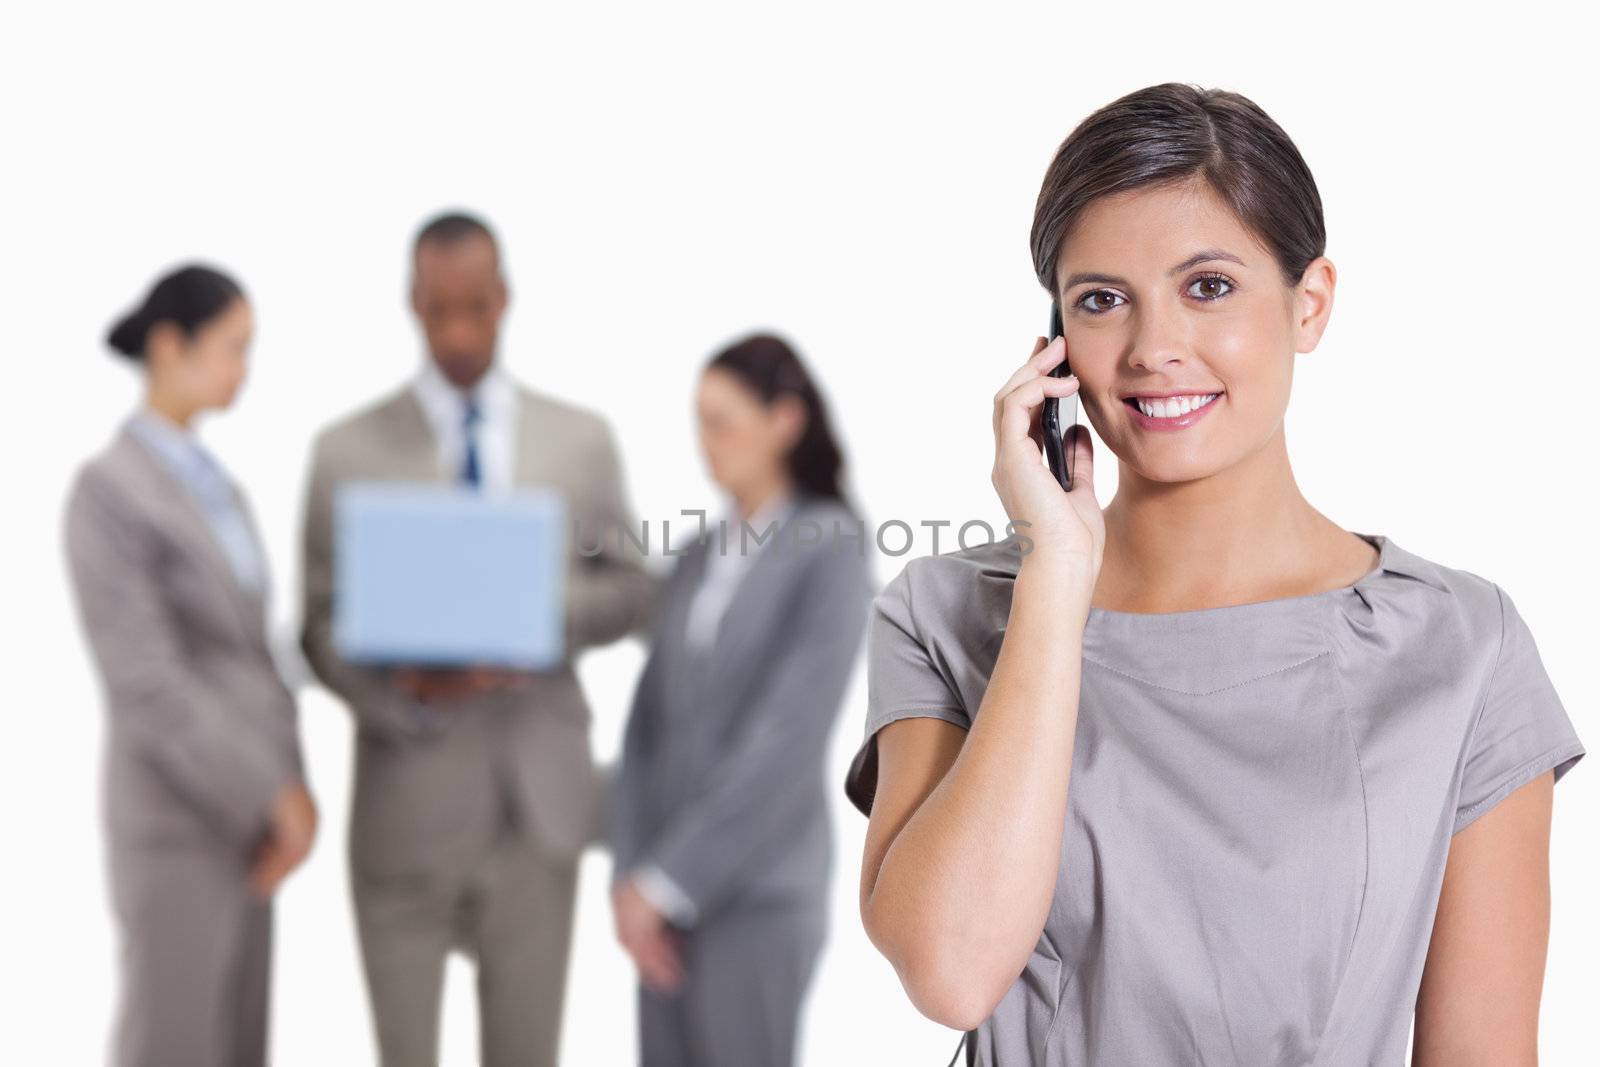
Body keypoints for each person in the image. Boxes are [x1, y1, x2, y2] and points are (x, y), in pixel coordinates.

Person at [846, 82, 1586, 1065]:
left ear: (1309, 302)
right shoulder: (942, 612)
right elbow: (950, 969)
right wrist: (1057, 576)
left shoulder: (1460, 644)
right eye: (1103, 300)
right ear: (1055, 343)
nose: (1154, 349)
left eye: (1207, 286)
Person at [298, 210, 657, 1067]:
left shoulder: (579, 438)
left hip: (538, 808)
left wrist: (530, 614)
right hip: (406, 806)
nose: (457, 331)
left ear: (504, 300)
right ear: (412, 305)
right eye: (437, 310)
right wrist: (407, 689)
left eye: (474, 308)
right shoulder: (345, 449)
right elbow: (316, 625)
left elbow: (635, 589)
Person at [63, 264, 316, 1067]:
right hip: (178, 820)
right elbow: (148, 684)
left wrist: (287, 786)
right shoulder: (109, 492)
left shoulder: (219, 488)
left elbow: (250, 656)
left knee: (239, 1046)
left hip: (247, 823)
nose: (243, 371)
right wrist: (270, 789)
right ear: (170, 345)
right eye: (232, 348)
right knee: (173, 1044)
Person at [609, 333, 873, 1067]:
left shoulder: (831, 547)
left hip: (757, 895)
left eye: (722, 420)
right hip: (659, 899)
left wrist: (666, 880)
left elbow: (783, 744)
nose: (706, 442)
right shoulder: (696, 555)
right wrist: (631, 879)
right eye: (698, 420)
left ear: (783, 420)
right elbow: (645, 730)